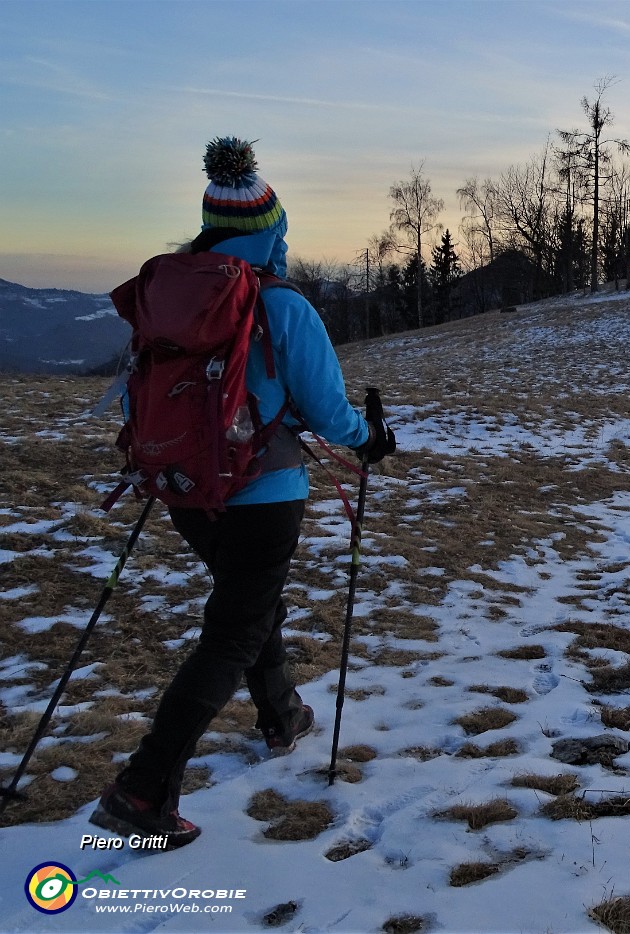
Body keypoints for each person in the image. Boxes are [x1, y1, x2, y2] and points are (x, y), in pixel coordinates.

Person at [90, 137, 394, 848]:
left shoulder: (168, 296)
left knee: (248, 605)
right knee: (235, 627)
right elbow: (325, 409)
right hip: (264, 487)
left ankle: (280, 713)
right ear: (271, 232)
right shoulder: (280, 304)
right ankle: (143, 788)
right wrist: (366, 437)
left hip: (183, 484)